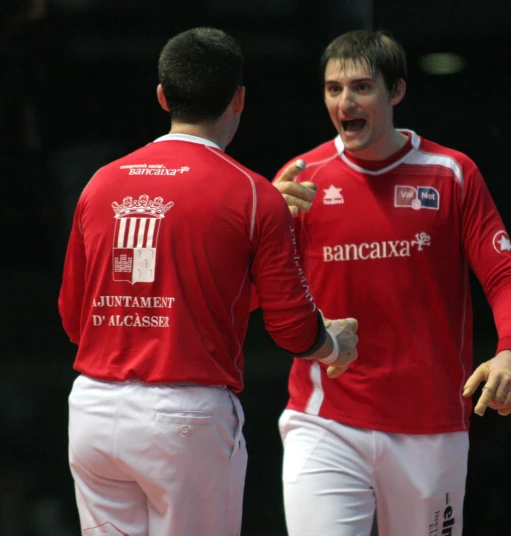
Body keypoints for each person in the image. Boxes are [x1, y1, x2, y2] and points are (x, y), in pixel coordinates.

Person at [57, 27, 359, 536]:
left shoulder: (101, 182)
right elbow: (292, 330)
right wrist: (333, 345)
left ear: (162, 97)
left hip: (92, 410)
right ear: (239, 99)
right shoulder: (252, 193)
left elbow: (74, 319)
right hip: (184, 419)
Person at [263, 29, 511, 536]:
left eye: (362, 87)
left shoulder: (451, 173)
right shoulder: (300, 180)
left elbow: (504, 277)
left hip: (430, 427)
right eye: (333, 89)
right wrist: (264, 227)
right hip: (325, 422)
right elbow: (257, 296)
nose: (346, 102)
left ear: (397, 91)